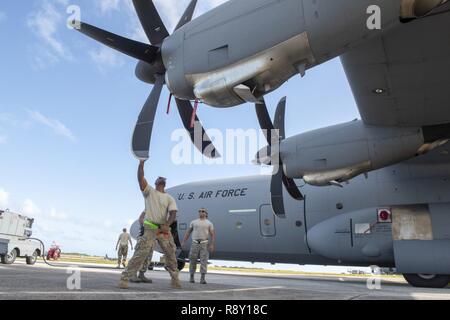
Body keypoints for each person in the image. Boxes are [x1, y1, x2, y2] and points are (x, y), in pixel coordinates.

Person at [119, 160, 181, 289]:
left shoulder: (169, 198)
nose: (161, 179)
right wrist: (141, 164)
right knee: (141, 253)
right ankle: (125, 278)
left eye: (163, 179)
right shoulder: (150, 192)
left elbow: (173, 213)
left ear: (165, 183)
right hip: (150, 227)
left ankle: (175, 279)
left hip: (163, 229)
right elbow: (140, 179)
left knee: (171, 252)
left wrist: (167, 224)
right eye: (159, 178)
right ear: (156, 183)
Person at [182, 208, 216, 284]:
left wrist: (212, 244)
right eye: (199, 211)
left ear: (206, 214)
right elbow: (188, 232)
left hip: (204, 244)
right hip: (195, 243)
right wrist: (184, 241)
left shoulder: (209, 223)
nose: (201, 212)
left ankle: (202, 278)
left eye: (203, 211)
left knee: (204, 261)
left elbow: (212, 234)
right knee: (192, 260)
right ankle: (191, 277)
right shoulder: (193, 222)